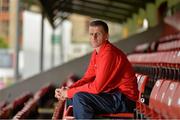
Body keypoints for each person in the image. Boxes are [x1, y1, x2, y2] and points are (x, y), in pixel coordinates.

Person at [55, 20, 139, 119]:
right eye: (91, 34)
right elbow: (87, 78)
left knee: (80, 98)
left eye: (97, 34)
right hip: (112, 95)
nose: (93, 37)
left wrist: (69, 93)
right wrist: (69, 89)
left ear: (106, 36)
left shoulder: (109, 53)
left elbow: (97, 87)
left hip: (125, 99)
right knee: (72, 97)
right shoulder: (96, 53)